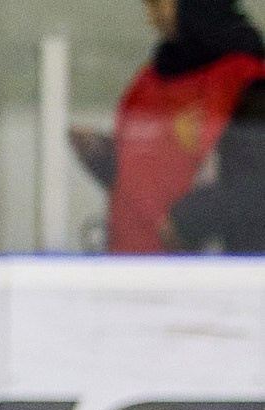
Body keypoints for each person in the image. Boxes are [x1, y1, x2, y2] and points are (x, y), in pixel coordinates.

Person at [71, 0, 265, 252]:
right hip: (128, 258)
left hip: (207, 272)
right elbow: (153, 159)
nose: (150, 18)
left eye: (157, 5)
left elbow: (253, 186)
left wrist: (190, 220)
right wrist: (106, 156)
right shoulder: (152, 77)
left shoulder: (248, 80)